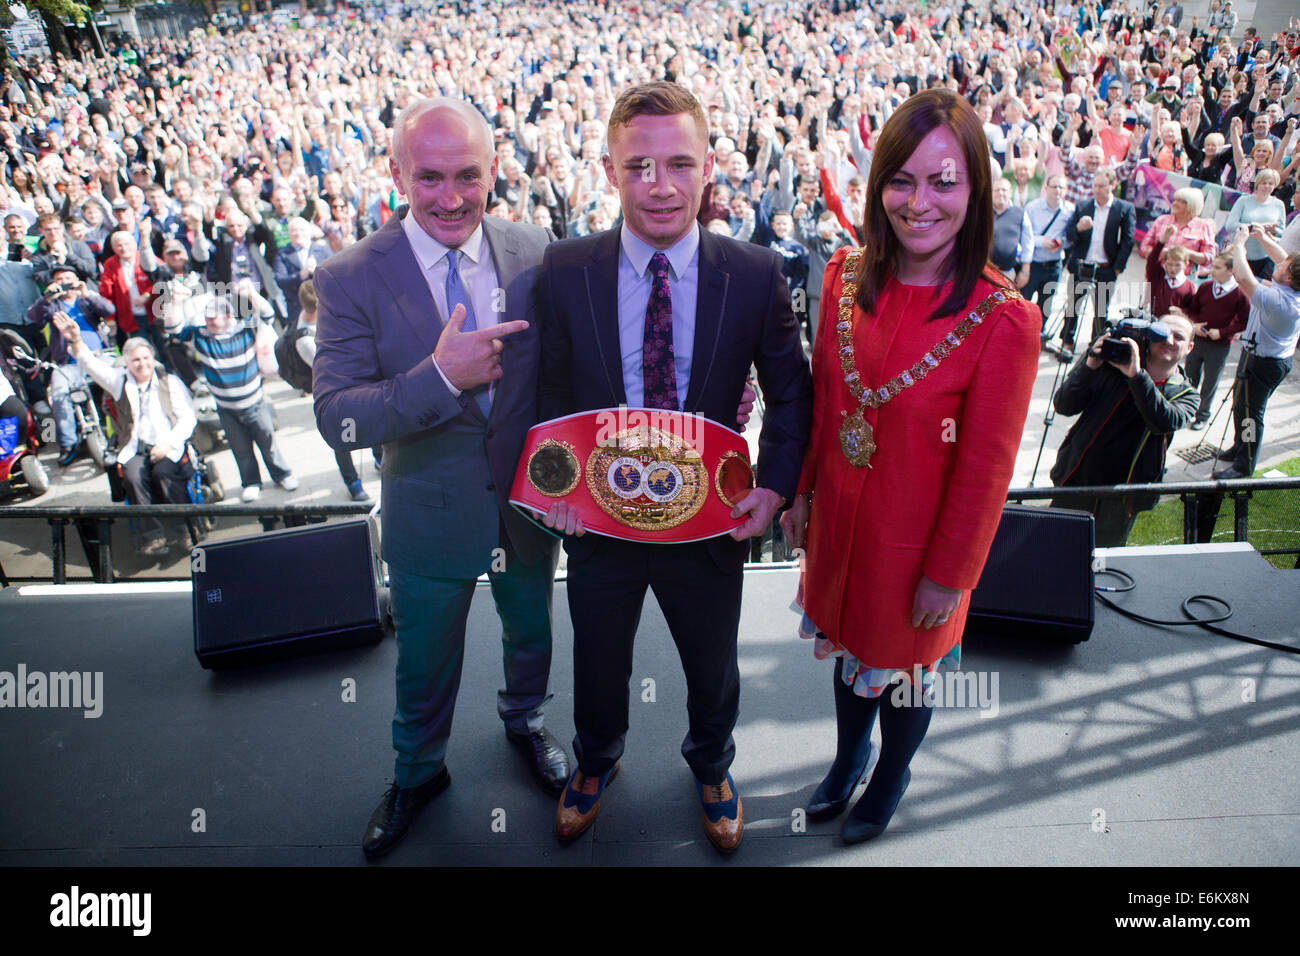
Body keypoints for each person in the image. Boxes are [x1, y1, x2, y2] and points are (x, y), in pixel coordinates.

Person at [537, 81, 813, 854]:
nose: (661, 186)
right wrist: (553, 489)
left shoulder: (756, 273)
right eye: (640, 166)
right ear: (609, 169)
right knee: (597, 657)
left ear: (709, 167)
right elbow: (551, 394)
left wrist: (776, 486)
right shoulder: (565, 269)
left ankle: (713, 766)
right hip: (599, 518)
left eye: (680, 164)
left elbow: (792, 392)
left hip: (710, 522)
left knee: (712, 662)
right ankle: (595, 762)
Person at [311, 97, 569, 861]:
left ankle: (525, 721)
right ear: (396, 173)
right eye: (429, 178)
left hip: (526, 509)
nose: (451, 197)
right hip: (427, 516)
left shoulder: (535, 248)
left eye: (468, 176)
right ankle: (418, 773)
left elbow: (565, 370)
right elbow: (337, 417)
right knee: (424, 661)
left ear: (494, 172)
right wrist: (439, 378)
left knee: (533, 634)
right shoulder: (350, 276)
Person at [779, 89, 1039, 844]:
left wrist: (950, 575)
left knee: (910, 675)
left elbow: (987, 472)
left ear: (976, 190)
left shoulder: (1003, 320)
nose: (918, 202)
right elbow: (827, 402)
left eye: (942, 182)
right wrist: (800, 495)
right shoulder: (844, 277)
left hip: (921, 554)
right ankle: (848, 757)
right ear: (878, 185)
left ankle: (890, 774)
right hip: (841, 531)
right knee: (850, 657)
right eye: (902, 180)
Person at [1050, 305, 1198, 545]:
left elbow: (1163, 420)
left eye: (1179, 337)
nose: (1169, 340)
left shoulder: (1186, 395)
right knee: (1052, 546)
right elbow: (1064, 405)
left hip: (1122, 498)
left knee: (1101, 561)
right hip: (1078, 479)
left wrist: (1136, 375)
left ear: (1189, 347)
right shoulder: (1111, 364)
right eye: (1163, 332)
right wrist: (1089, 367)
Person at [53, 316, 197, 556]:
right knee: (132, 477)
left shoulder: (169, 382)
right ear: (127, 363)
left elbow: (188, 420)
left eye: (145, 358)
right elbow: (89, 363)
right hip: (135, 446)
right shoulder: (120, 381)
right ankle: (153, 536)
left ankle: (184, 529)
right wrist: (76, 339)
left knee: (164, 475)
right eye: (135, 360)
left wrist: (169, 444)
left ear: (153, 359)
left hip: (166, 444)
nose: (141, 364)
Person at [1213, 226, 1300, 479]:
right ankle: (1239, 446)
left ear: (1288, 277)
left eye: (1283, 266)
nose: (1279, 264)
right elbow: (1283, 258)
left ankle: (1244, 463)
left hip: (1265, 363)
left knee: (1251, 414)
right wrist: (1262, 238)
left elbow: (1242, 278)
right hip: (1258, 355)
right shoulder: (1289, 286)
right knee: (1240, 406)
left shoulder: (1282, 303)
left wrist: (1240, 244)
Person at [26, 266, 116, 466]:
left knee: (121, 380)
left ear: (76, 280)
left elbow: (109, 310)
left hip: (98, 356)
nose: (65, 283)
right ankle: (68, 442)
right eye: (60, 280)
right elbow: (33, 318)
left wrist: (87, 292)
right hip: (68, 364)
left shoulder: (86, 300)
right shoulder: (52, 305)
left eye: (68, 278)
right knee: (58, 394)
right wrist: (46, 297)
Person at [1061, 167, 1136, 354]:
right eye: (1095, 185)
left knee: (1101, 311)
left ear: (1112, 185)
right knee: (1073, 306)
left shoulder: (1123, 208)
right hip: (1082, 265)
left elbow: (1128, 240)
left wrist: (1117, 268)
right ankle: (1067, 341)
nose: (1097, 189)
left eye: (1101, 186)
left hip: (1105, 267)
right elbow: (1069, 234)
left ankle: (1096, 344)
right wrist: (1079, 227)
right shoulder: (1083, 206)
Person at [1185, 251, 1250, 430]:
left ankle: (1202, 415)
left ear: (1230, 271)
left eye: (1217, 267)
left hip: (1219, 346)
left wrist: (1222, 332)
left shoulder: (1238, 294)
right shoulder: (1206, 287)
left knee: (1210, 381)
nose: (1212, 270)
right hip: (1198, 341)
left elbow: (1244, 320)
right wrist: (1195, 324)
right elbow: (1194, 308)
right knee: (1190, 376)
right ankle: (1186, 409)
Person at [1022, 173, 1073, 340]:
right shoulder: (1032, 207)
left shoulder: (1069, 210)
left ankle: (1037, 337)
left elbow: (1071, 237)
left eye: (1061, 187)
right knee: (1024, 303)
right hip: (1033, 264)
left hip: (1053, 265)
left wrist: (1061, 242)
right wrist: (1041, 241)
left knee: (1046, 305)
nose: (1057, 190)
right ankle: (1020, 334)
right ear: (1047, 188)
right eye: (1054, 186)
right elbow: (1024, 236)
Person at [1137, 188, 1217, 276]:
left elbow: (1210, 258)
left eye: (1181, 201)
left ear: (1192, 205)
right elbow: (1143, 248)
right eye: (1175, 200)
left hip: (1184, 281)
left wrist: (1186, 254)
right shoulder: (1162, 220)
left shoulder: (1204, 226)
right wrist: (1159, 253)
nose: (1174, 203)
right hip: (1155, 277)